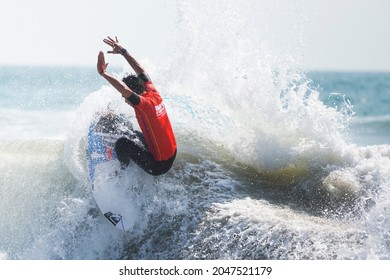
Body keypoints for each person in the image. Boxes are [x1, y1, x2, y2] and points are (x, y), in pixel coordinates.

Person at [96, 36, 177, 176]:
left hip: (159, 166)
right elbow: (140, 70)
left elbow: (125, 90)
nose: (125, 99)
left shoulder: (144, 105)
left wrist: (104, 73)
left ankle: (122, 174)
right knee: (134, 133)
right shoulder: (152, 92)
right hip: (172, 153)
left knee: (122, 144)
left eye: (125, 98)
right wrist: (123, 51)